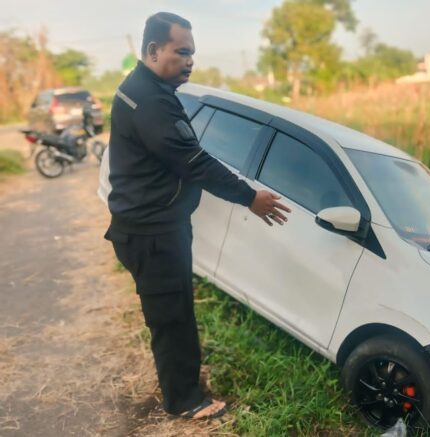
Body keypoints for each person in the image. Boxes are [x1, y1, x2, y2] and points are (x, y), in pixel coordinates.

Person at [103, 12, 290, 420]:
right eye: (181, 52)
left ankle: (181, 387)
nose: (190, 61)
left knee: (173, 315)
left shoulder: (143, 88)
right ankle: (186, 400)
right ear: (154, 51)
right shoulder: (151, 101)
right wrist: (250, 197)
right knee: (172, 320)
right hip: (152, 234)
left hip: (147, 228)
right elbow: (196, 163)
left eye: (193, 53)